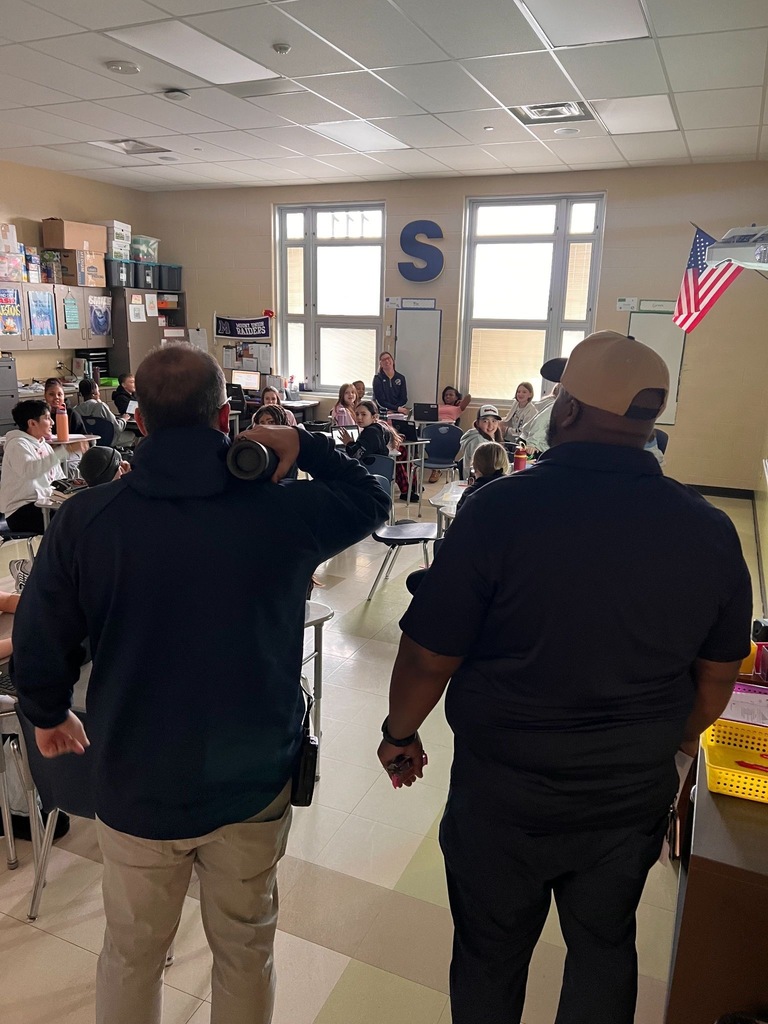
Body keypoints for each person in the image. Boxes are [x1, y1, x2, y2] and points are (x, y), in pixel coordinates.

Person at [377, 331, 751, 1024]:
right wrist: (658, 743)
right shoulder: (708, 529)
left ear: (568, 410)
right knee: (605, 946)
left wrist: (399, 734)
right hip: (627, 796)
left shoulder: (500, 512)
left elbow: (429, 655)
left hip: (505, 793)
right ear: (649, 421)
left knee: (490, 952)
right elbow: (717, 680)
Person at [12, 343, 389, 1024]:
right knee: (245, 950)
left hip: (135, 777)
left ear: (142, 423)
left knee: (130, 954)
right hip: (251, 777)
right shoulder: (281, 513)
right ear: (225, 418)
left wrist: (45, 710)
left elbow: (43, 635)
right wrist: (301, 442)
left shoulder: (87, 518)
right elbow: (372, 498)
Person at [0, 399, 88, 533]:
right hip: (22, 511)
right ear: (32, 423)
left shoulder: (44, 445)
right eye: (47, 418)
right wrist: (65, 450)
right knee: (72, 523)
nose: (52, 422)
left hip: (45, 505)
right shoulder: (17, 445)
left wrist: (73, 485)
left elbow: (58, 478)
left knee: (83, 512)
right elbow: (31, 471)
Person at [429, 386, 472, 483]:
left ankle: (436, 470)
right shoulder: (438, 406)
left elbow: (469, 397)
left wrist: (460, 401)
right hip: (434, 428)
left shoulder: (458, 408)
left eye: (451, 395)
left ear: (456, 397)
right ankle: (436, 469)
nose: (447, 397)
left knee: (439, 439)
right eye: (446, 395)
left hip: (449, 430)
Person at [78, 378, 134, 447]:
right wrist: (124, 419)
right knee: (132, 435)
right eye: (98, 391)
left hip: (89, 443)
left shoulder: (76, 409)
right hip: (108, 441)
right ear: (94, 394)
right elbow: (118, 427)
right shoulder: (101, 406)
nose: (99, 393)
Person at [455, 405, 505, 479]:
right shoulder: (478, 441)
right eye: (485, 421)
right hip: (477, 481)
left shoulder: (490, 438)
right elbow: (483, 470)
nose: (490, 425)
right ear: (477, 423)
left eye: (494, 421)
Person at [456, 441, 508, 511]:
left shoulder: (471, 493)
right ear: (505, 464)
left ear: (475, 467)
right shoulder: (513, 489)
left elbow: (459, 519)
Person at [372, 351, 408, 415]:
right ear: (380, 364)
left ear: (393, 360)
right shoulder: (377, 379)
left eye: (388, 358)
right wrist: (396, 409)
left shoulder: (401, 378)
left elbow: (403, 399)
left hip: (399, 412)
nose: (387, 361)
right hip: (383, 412)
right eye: (383, 360)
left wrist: (395, 409)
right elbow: (380, 401)